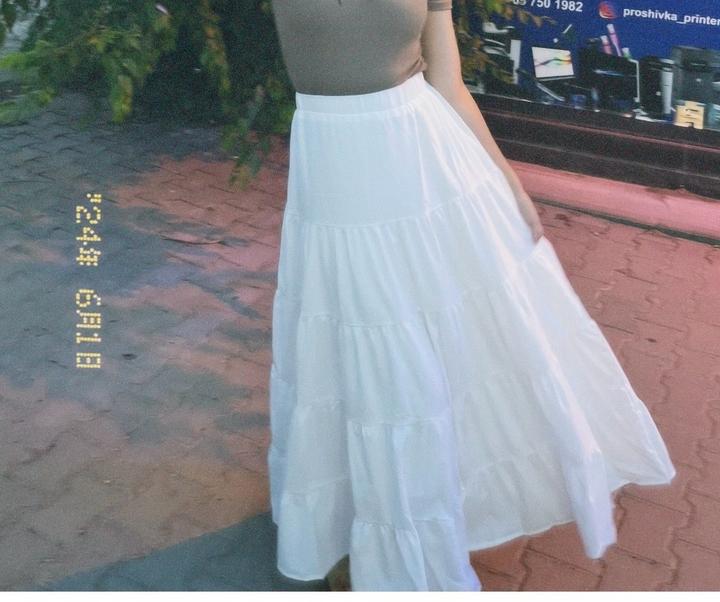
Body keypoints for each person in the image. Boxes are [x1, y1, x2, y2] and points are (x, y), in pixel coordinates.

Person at [266, 0, 676, 592]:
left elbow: (448, 82)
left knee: (424, 367)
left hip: (424, 168)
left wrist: (509, 182)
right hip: (334, 171)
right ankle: (362, 528)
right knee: (360, 356)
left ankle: (415, 543)